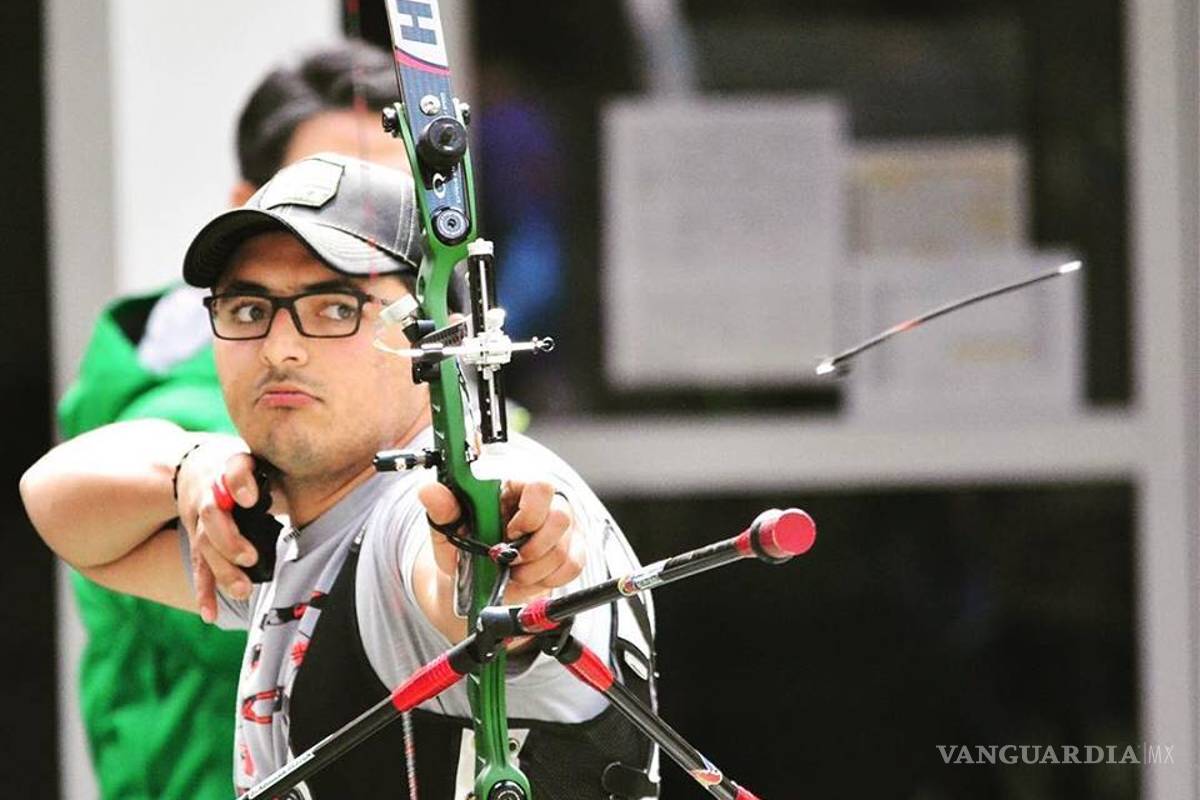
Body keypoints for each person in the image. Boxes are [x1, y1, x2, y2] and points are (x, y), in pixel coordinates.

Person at [24, 153, 657, 799]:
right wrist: (190, 464)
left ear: (441, 334)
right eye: (248, 310)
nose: (280, 348)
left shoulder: (426, 501)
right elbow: (57, 508)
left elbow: (460, 585)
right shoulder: (308, 514)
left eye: (334, 309)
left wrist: (497, 570)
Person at [56, 41, 418, 800]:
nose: (372, 225)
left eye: (400, 197)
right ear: (246, 207)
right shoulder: (228, 415)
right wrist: (191, 470)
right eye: (331, 190)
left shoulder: (416, 378)